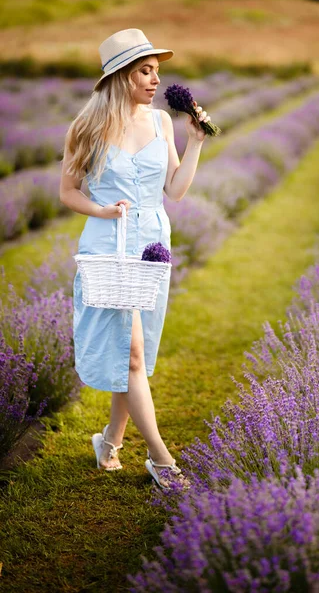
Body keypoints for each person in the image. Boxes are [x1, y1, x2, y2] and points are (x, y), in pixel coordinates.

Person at [59, 28, 211, 490]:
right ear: (121, 75)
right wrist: (102, 208)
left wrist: (196, 142)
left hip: (152, 243)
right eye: (145, 71)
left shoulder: (162, 123)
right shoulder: (85, 127)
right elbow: (67, 192)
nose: (154, 81)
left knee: (135, 353)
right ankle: (163, 461)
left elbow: (175, 191)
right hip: (109, 242)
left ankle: (109, 441)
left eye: (156, 72)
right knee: (132, 354)